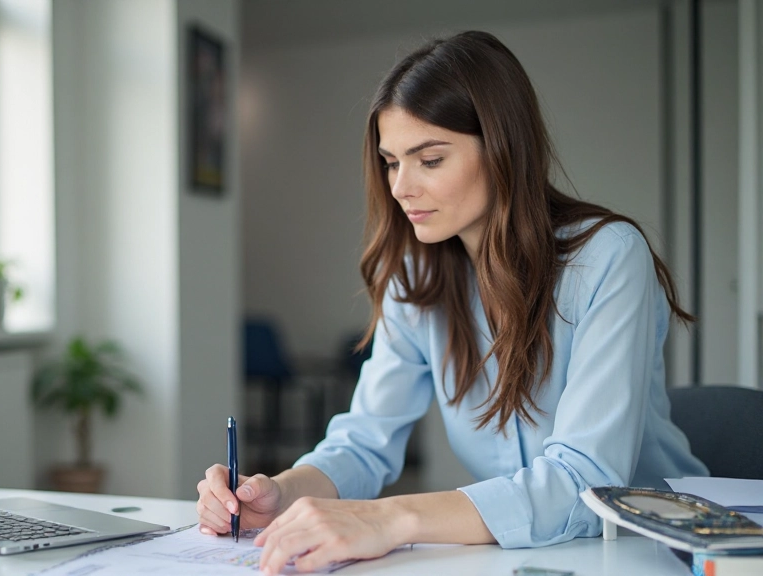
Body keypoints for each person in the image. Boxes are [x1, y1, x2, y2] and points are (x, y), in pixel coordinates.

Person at [196, 30, 708, 574]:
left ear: (504, 150)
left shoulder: (608, 257)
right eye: (392, 162)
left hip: (652, 548)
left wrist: (389, 518)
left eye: (430, 159)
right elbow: (366, 442)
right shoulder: (417, 280)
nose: (400, 187)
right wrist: (278, 491)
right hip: (521, 556)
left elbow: (584, 482)